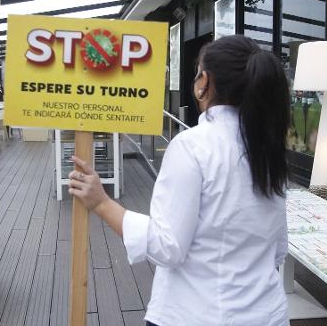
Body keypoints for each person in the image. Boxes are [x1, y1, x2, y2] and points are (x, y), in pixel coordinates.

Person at [68, 35, 290, 326]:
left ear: (204, 83)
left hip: (196, 314)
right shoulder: (268, 148)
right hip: (268, 314)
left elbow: (167, 246)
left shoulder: (192, 146)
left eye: (197, 71)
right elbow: (278, 249)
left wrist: (101, 202)